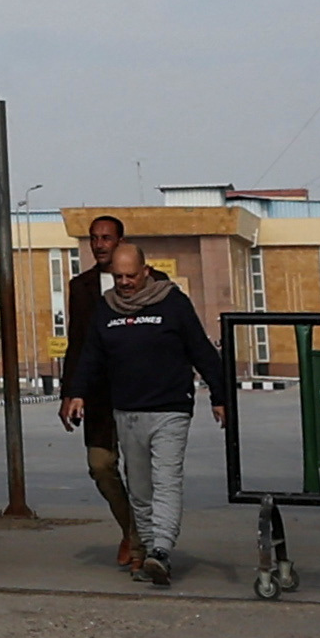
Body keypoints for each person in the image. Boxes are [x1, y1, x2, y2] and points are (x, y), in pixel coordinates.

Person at [63, 230, 236, 588]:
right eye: (118, 277)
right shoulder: (106, 309)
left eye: (131, 276)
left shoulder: (172, 302)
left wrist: (220, 396)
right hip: (127, 410)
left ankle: (161, 551)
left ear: (146, 271)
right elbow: (91, 354)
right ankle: (142, 548)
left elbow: (201, 350)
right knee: (140, 489)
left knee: (167, 481)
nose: (125, 283)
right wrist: (77, 392)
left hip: (170, 409)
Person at [51, 215, 143, 573]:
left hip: (140, 394)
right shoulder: (82, 286)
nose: (100, 244)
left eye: (107, 237)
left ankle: (140, 545)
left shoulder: (154, 283)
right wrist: (69, 392)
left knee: (141, 473)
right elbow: (77, 343)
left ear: (121, 241)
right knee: (100, 465)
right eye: (94, 238)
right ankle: (132, 531)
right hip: (100, 397)